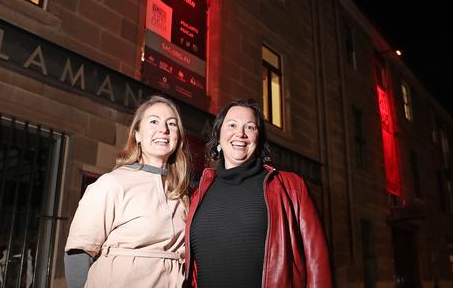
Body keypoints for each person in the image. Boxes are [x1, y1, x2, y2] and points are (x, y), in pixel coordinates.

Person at [185, 99, 332, 287]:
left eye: (250, 127)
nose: (240, 133)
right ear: (219, 135)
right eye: (232, 125)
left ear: (259, 138)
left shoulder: (291, 187)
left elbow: (317, 262)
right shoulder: (198, 195)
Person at [65, 96, 190, 287]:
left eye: (171, 124)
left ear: (178, 136)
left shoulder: (181, 193)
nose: (163, 129)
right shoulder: (112, 183)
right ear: (137, 134)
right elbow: (78, 252)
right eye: (154, 121)